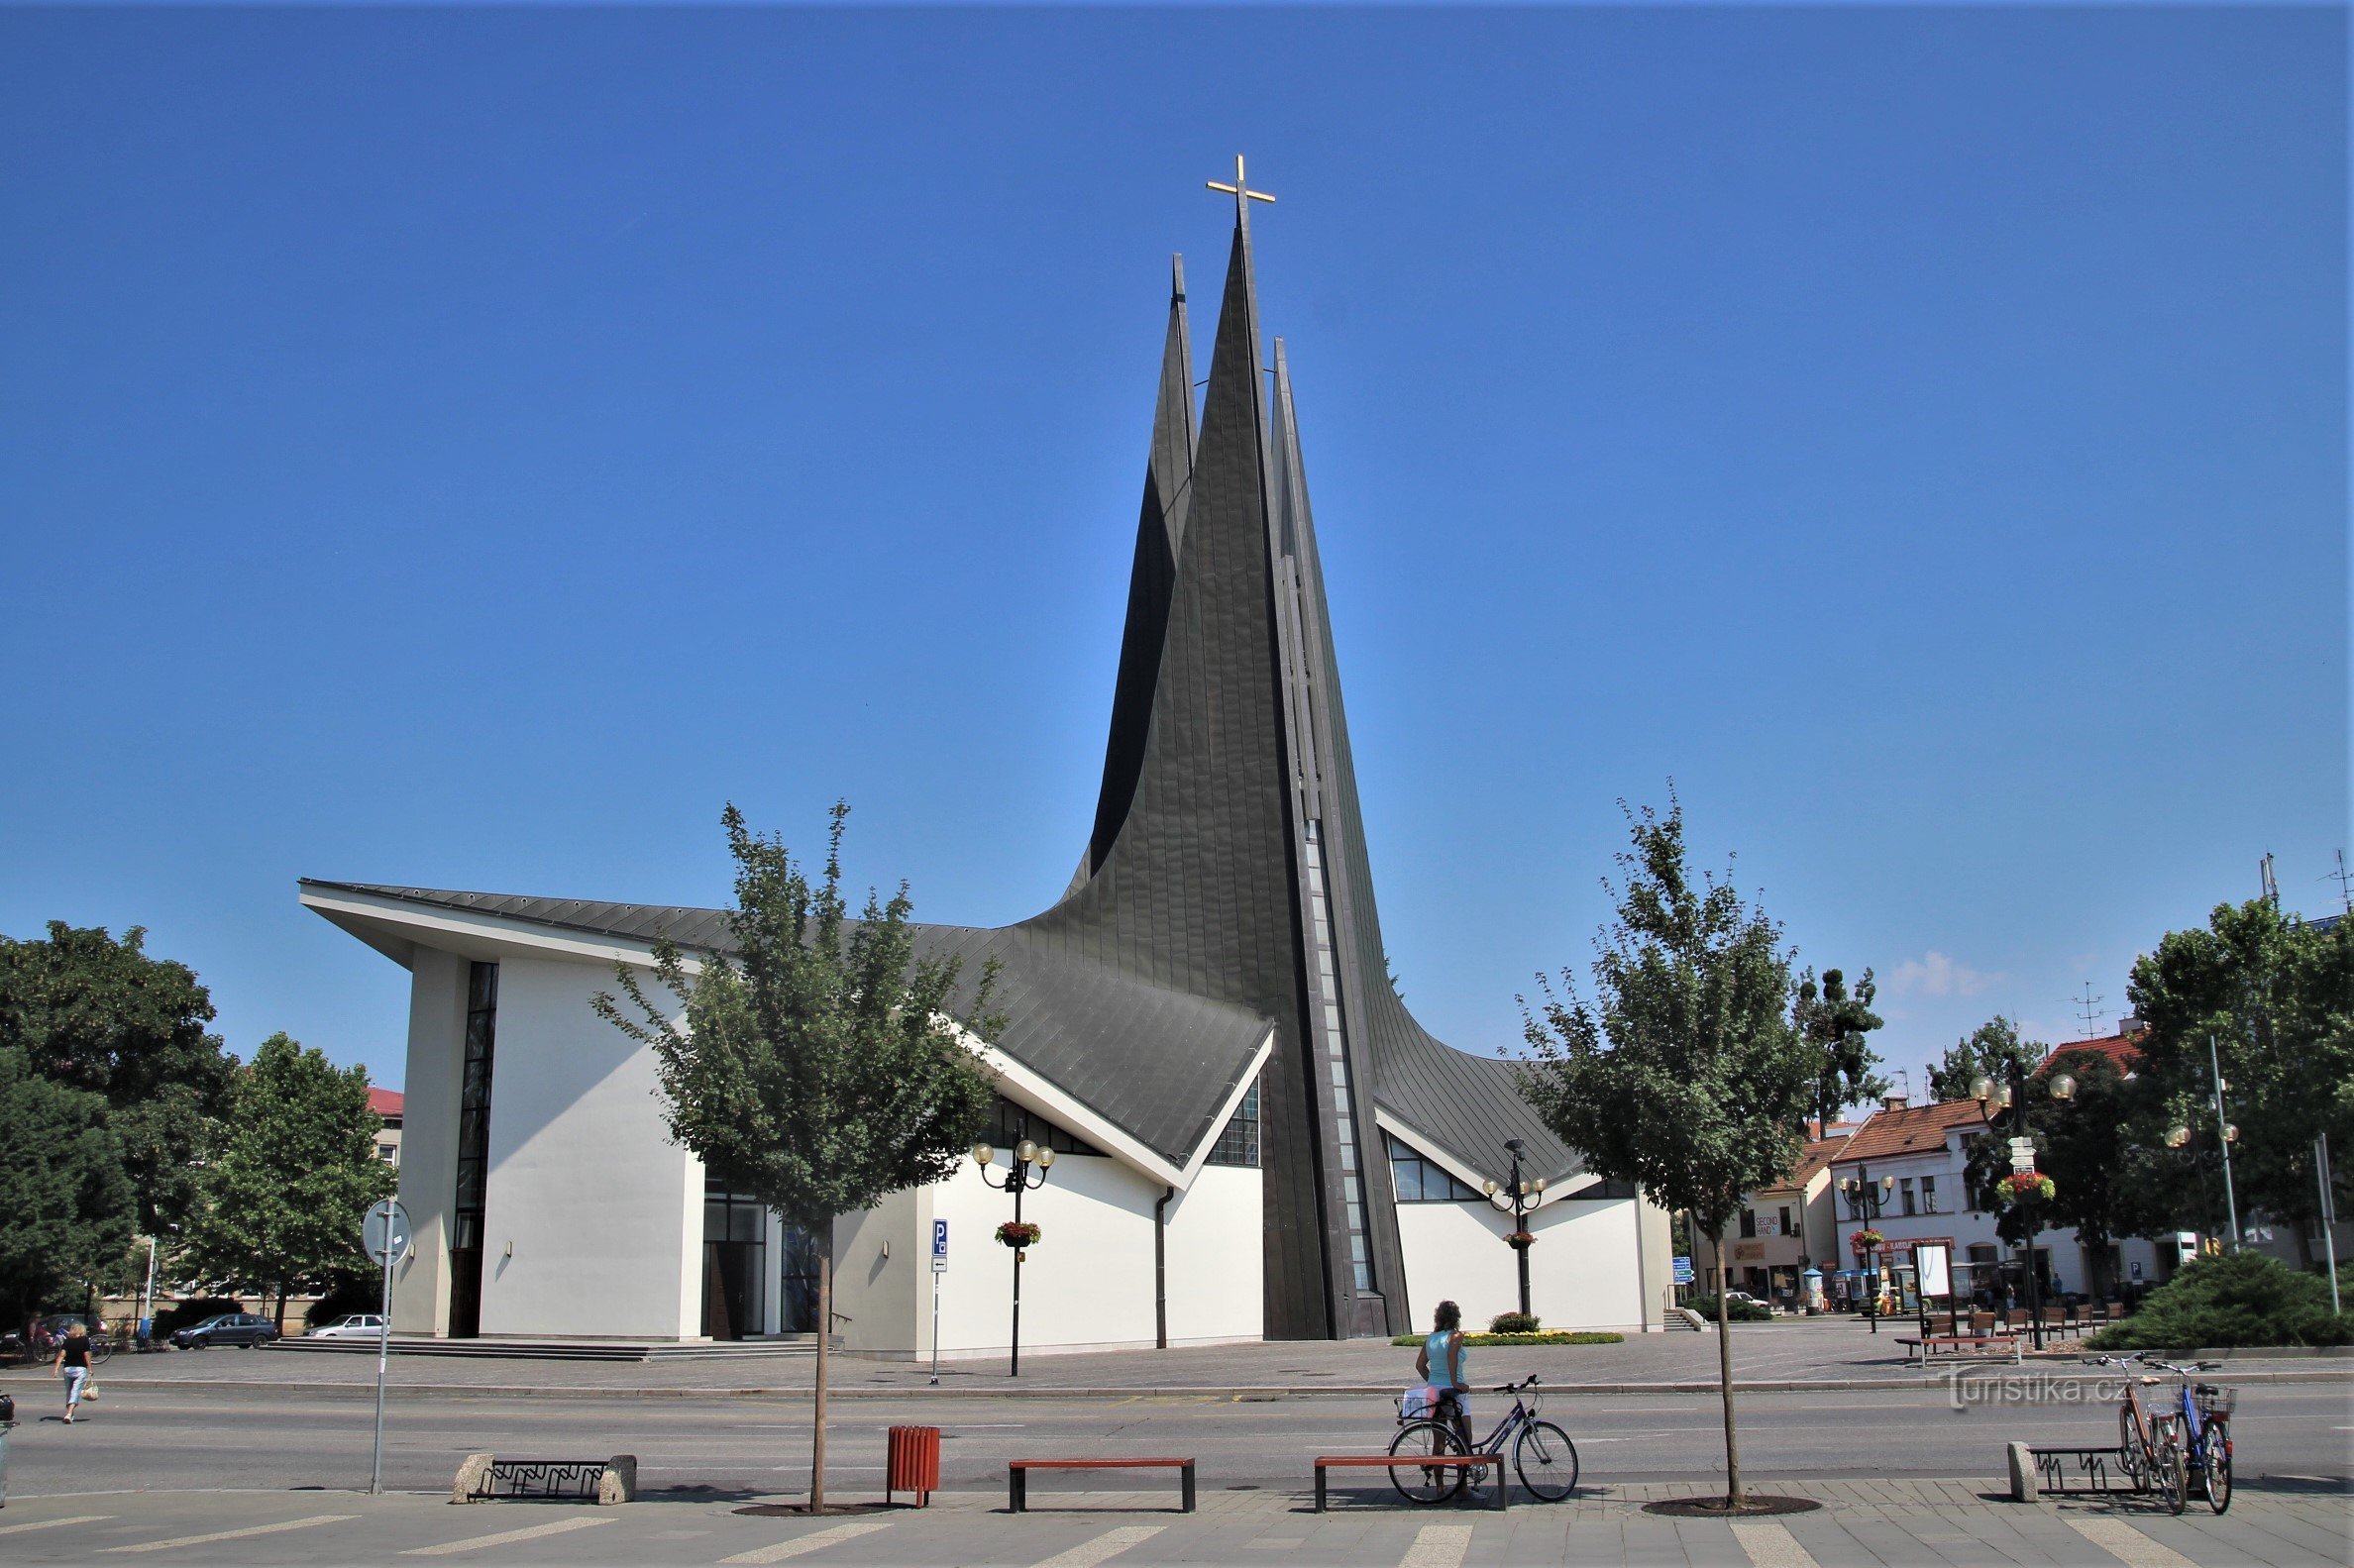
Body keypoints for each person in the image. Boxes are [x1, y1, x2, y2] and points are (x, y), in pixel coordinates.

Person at [1413, 1299, 1470, 1451]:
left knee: (1438, 1440)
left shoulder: (1431, 1338)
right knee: (1464, 1438)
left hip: (1434, 1391)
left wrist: (1432, 1381)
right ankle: (1462, 1474)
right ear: (1456, 1317)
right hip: (1452, 1391)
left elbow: (1420, 1365)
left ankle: (1438, 1475)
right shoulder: (1455, 1336)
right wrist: (1456, 1383)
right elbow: (1452, 1357)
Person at [54, 1320, 92, 1422]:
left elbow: (62, 1355)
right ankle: (69, 1414)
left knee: (69, 1392)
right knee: (75, 1392)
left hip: (68, 1369)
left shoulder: (67, 1341)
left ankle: (71, 1414)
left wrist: (56, 1369)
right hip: (80, 1369)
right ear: (82, 1330)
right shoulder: (84, 1340)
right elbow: (87, 1355)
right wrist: (90, 1368)